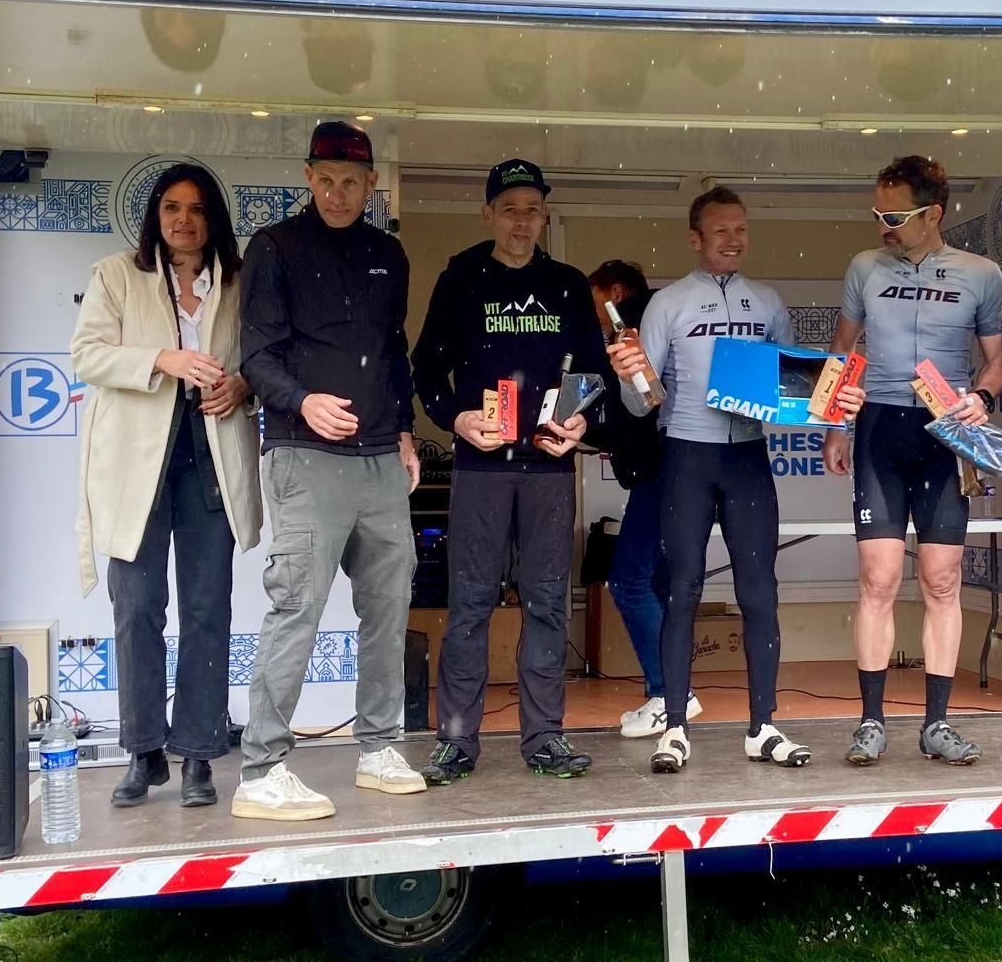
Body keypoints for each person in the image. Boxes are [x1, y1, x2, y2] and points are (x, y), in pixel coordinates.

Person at [607, 186, 863, 774]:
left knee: (759, 591)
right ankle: (675, 727)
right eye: (721, 230)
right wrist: (629, 375)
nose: (733, 240)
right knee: (683, 589)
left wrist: (835, 407)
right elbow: (642, 400)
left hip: (748, 458)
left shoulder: (768, 303)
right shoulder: (668, 303)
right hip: (686, 457)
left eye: (741, 229)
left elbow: (789, 388)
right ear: (695, 239)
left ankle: (762, 726)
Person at [233, 122, 424, 821]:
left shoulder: (388, 254)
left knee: (389, 604)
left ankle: (379, 747)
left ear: (371, 184)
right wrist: (304, 401)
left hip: (379, 457)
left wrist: (404, 430)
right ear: (307, 178)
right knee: (298, 606)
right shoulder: (275, 247)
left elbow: (394, 351)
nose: (337, 194)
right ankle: (262, 769)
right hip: (303, 453)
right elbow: (256, 357)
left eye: (351, 182)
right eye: (326, 180)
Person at [412, 159, 612, 783]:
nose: (521, 221)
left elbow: (593, 372)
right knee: (470, 602)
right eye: (509, 209)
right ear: (488, 214)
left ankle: (545, 737)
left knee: (548, 602)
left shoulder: (567, 284)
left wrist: (577, 421)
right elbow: (425, 369)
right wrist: (456, 418)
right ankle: (456, 739)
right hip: (482, 468)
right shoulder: (461, 279)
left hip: (549, 468)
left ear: (545, 215)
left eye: (532, 210)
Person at [72, 162, 261, 810]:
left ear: (214, 219)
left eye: (197, 209)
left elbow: (263, 358)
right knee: (137, 608)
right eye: (172, 207)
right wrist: (162, 358)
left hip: (210, 456)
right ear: (155, 214)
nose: (184, 220)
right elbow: (87, 354)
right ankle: (143, 751)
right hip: (137, 463)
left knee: (208, 610)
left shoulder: (237, 283)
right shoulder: (117, 275)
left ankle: (199, 755)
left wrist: (243, 385)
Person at [822, 156, 1002, 768]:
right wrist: (835, 424)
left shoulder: (982, 274)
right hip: (880, 425)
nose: (884, 226)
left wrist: (982, 399)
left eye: (896, 216)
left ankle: (937, 723)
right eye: (878, 214)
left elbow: (997, 362)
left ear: (934, 214)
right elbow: (841, 351)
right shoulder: (864, 267)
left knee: (941, 580)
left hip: (945, 431)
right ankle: (870, 722)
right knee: (877, 578)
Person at [585, 260, 702, 738]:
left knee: (628, 580)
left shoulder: (630, 331)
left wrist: (584, 430)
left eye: (596, 302)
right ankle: (671, 694)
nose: (594, 315)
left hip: (660, 470)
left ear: (615, 293)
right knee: (655, 583)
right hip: (677, 467)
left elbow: (639, 408)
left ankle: (669, 694)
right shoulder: (661, 321)